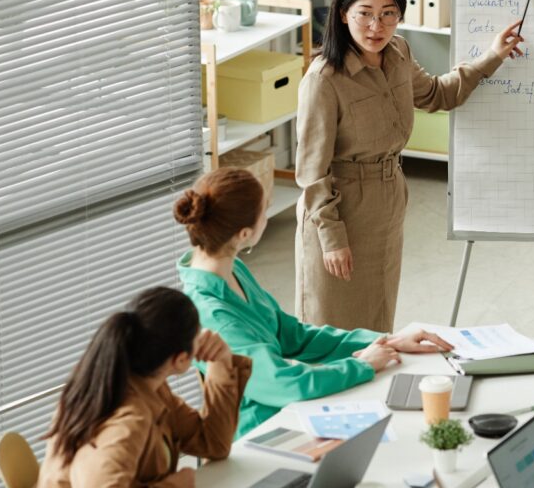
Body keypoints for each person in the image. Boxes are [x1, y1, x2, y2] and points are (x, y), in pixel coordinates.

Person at [295, 0, 524, 332]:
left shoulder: (398, 53)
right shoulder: (323, 80)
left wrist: (493, 56)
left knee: (378, 325)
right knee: (333, 329)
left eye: (388, 14)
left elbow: (437, 94)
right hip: (341, 210)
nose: (376, 27)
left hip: (388, 203)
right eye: (364, 14)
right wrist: (332, 238)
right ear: (342, 14)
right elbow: (312, 172)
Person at [174, 167, 452, 438]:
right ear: (244, 234)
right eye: (265, 210)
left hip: (290, 410)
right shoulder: (211, 314)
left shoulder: (231, 269)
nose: (266, 217)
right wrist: (362, 366)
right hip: (262, 432)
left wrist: (386, 342)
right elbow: (282, 383)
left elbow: (294, 336)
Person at [27, 287, 251, 488]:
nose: (205, 337)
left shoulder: (146, 384)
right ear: (180, 359)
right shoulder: (129, 419)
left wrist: (221, 365)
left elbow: (213, 444)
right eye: (198, 333)